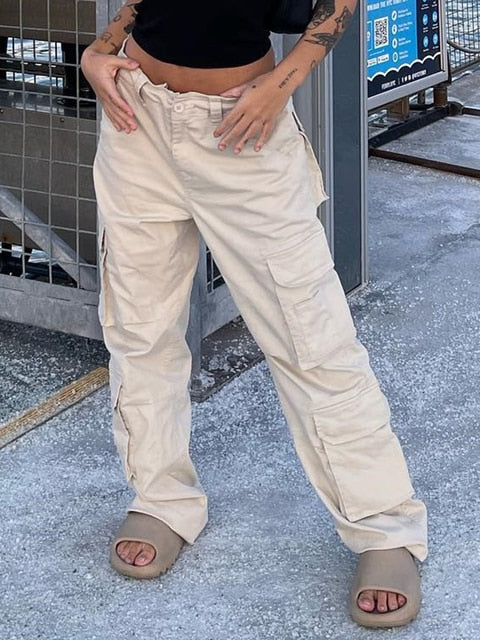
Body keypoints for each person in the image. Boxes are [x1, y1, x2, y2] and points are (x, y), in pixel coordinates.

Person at [81, 0, 427, 628]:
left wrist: (281, 84)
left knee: (311, 339)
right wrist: (101, 46)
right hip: (135, 116)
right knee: (139, 329)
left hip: (243, 124)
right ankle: (161, 498)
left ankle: (383, 527)